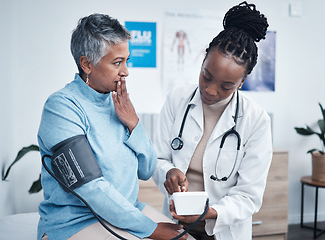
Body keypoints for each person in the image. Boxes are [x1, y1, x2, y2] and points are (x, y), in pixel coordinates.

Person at [37, 13, 189, 240]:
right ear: (87, 64)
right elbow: (90, 187)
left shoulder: (118, 103)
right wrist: (151, 229)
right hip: (76, 223)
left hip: (129, 212)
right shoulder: (61, 108)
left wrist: (134, 124)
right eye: (117, 62)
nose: (126, 71)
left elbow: (146, 170)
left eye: (127, 61)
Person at [152, 2, 272, 240]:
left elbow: (249, 196)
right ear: (204, 57)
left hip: (224, 230)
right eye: (206, 76)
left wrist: (208, 212)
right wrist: (169, 171)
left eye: (226, 86)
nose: (210, 90)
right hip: (176, 226)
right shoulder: (178, 99)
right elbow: (158, 157)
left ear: (242, 81)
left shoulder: (256, 120)